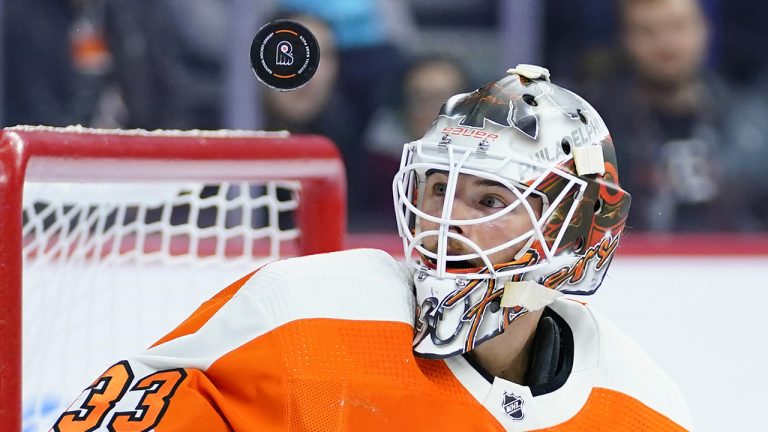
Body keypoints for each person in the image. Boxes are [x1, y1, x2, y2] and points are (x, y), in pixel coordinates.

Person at [52, 65, 692, 431]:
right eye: (438, 188)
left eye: (491, 201)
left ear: (577, 232)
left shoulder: (643, 407)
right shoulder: (304, 315)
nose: (444, 220)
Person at [584, 0, 756, 232]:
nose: (666, 44)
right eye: (647, 31)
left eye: (678, 27)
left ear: (705, 29)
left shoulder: (749, 122)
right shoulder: (595, 129)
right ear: (624, 38)